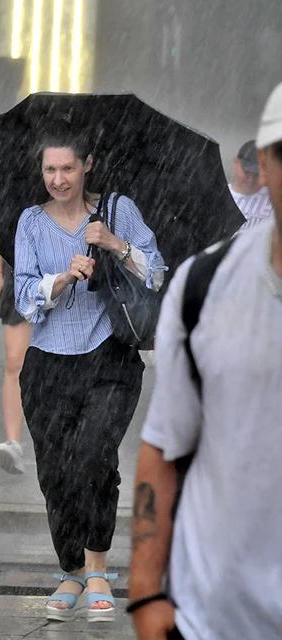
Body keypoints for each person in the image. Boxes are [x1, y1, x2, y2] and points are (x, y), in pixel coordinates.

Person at [128, 82, 282, 640]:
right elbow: (164, 444)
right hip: (212, 617)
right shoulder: (204, 285)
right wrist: (146, 597)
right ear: (263, 165)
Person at [14, 124, 165, 624]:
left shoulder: (117, 210)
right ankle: (71, 570)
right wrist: (60, 279)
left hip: (109, 359)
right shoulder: (31, 223)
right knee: (55, 472)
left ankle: (98, 567)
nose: (58, 179)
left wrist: (115, 244)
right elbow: (23, 298)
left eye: (68, 168)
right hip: (47, 366)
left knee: (94, 455)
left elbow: (156, 271)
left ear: (88, 166)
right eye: (50, 169)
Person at [0, 250, 31, 474]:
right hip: (20, 271)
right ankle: (13, 443)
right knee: (15, 361)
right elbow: (1, 226)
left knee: (62, 360)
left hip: (68, 270)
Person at [229, 139, 274, 233]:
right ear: (235, 163)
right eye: (246, 172)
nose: (251, 179)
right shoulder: (219, 196)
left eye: (256, 174)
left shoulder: (275, 198)